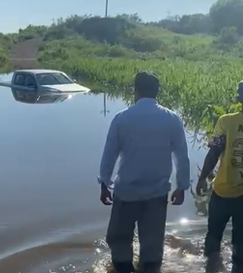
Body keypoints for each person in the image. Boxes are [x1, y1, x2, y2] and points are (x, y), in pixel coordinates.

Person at [97, 72, 190, 273]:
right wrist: (181, 187)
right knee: (153, 247)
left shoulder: (122, 118)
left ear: (136, 91)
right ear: (157, 92)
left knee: (120, 242)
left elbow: (109, 155)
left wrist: (104, 184)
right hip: (156, 194)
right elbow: (182, 157)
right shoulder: (172, 119)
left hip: (126, 193)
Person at [196, 80, 243, 273]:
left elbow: (214, 153)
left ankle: (211, 267)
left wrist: (202, 178)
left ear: (239, 97)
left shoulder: (226, 121)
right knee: (241, 244)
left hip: (222, 191)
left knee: (213, 237)